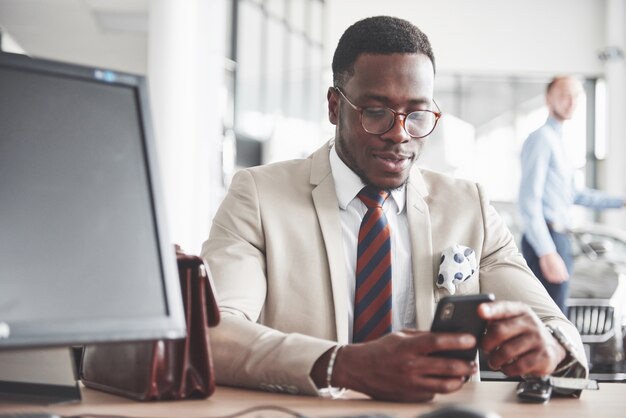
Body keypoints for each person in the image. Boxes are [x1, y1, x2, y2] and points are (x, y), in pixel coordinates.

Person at [202, 16, 587, 403]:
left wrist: (551, 348)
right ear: (335, 106)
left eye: (417, 114)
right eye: (376, 112)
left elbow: (556, 324)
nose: (400, 133)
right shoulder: (258, 196)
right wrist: (344, 364)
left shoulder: (469, 206)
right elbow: (214, 334)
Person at [519, 76, 626, 314]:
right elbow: (529, 201)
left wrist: (620, 201)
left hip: (561, 237)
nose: (571, 102)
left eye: (576, 96)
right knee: (550, 318)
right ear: (549, 99)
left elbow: (573, 195)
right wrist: (547, 251)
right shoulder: (542, 140)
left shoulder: (560, 141)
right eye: (564, 95)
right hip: (547, 237)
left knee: (557, 316)